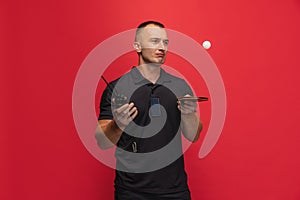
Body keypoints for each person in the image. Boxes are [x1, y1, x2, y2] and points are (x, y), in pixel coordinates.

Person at [95, 21, 203, 200]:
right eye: (154, 41)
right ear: (137, 46)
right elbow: (102, 142)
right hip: (131, 191)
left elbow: (193, 135)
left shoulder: (179, 86)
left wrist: (188, 113)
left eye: (165, 42)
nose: (161, 47)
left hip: (174, 190)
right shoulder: (117, 88)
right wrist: (118, 124)